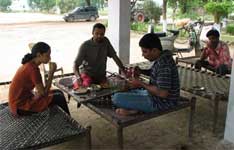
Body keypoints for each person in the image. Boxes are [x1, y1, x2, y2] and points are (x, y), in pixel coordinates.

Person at [112, 33, 180, 116]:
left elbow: (163, 93)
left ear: (154, 50)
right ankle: (135, 109)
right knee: (126, 90)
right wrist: (141, 71)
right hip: (154, 96)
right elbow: (156, 74)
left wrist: (141, 83)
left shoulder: (164, 65)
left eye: (145, 52)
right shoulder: (162, 58)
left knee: (116, 98)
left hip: (162, 103)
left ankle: (136, 110)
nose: (143, 55)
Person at [9, 42, 70, 116]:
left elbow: (41, 91)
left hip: (21, 100)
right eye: (47, 55)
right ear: (39, 55)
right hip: (20, 106)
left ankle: (64, 119)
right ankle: (69, 124)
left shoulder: (30, 64)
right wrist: (51, 73)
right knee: (59, 98)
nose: (50, 58)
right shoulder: (33, 69)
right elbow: (43, 93)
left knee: (58, 92)